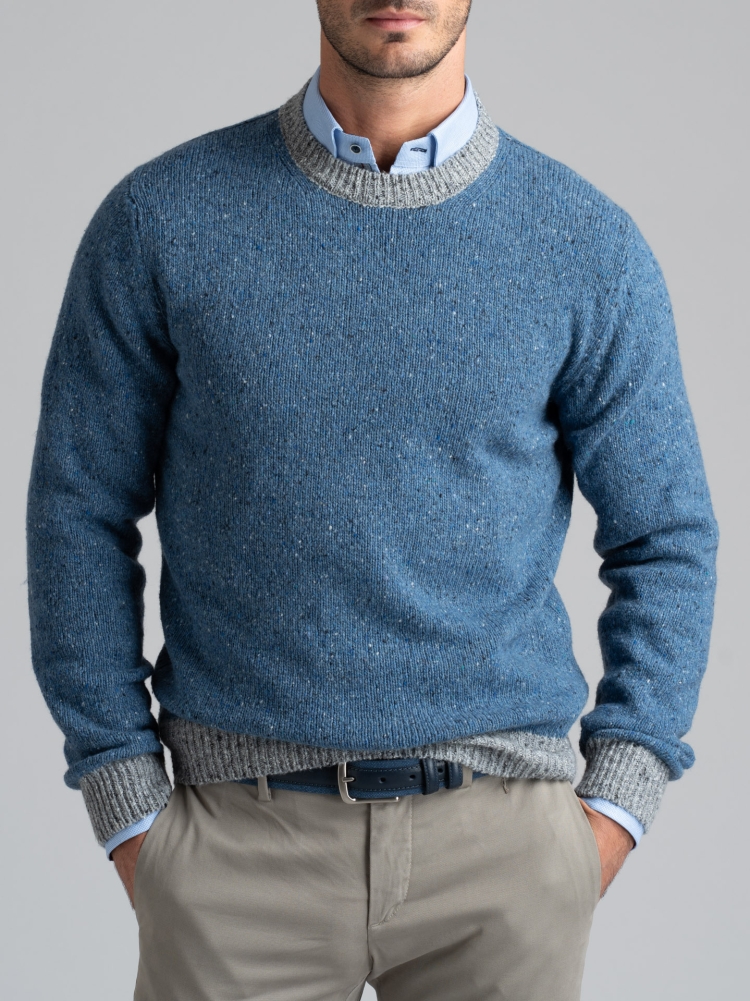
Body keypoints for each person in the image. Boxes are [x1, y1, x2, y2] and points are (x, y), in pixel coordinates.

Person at [27, 2, 718, 999]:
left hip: (504, 852)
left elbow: (667, 535)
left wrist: (614, 808)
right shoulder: (161, 221)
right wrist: (126, 799)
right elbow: (77, 510)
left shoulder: (584, 244)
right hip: (234, 849)